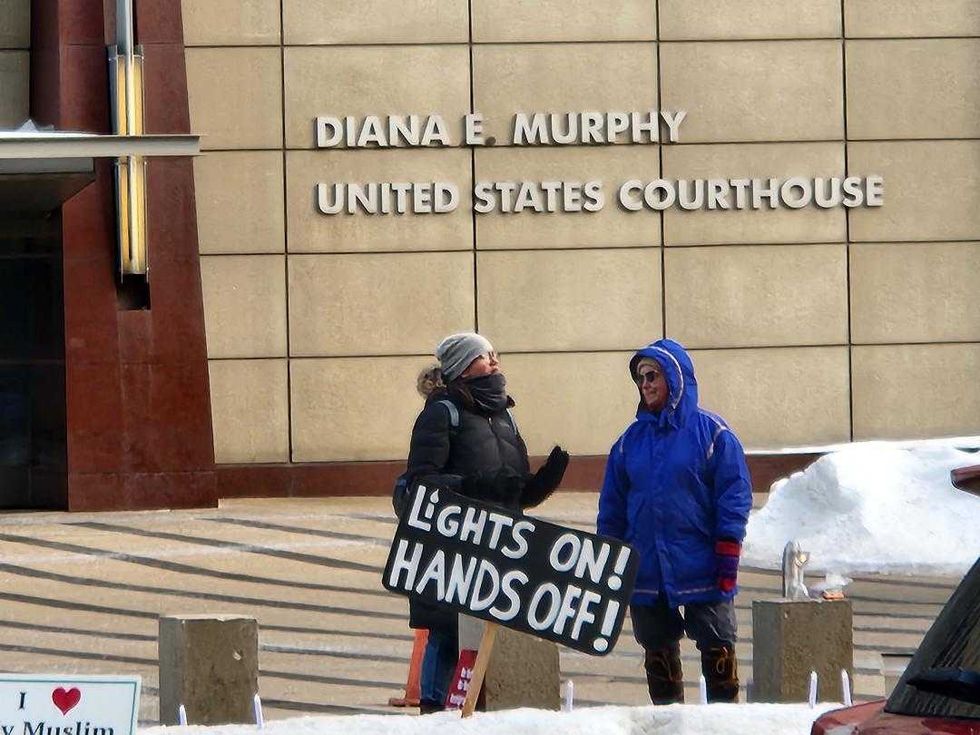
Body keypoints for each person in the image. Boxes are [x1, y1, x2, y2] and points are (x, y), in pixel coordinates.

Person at [398, 332, 569, 713]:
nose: (494, 362)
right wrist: (476, 487)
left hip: (502, 546)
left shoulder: (505, 414)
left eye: (494, 355)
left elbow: (512, 490)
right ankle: (433, 711)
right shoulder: (441, 413)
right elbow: (421, 483)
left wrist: (541, 485)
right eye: (483, 356)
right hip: (454, 548)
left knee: (493, 633)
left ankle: (484, 710)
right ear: (461, 367)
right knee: (447, 631)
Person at [597, 338, 751, 704]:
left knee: (718, 648)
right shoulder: (628, 443)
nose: (645, 384)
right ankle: (669, 723)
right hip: (647, 570)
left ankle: (724, 727)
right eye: (640, 378)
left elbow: (734, 495)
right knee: (658, 653)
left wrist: (728, 552)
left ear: (676, 378)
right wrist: (610, 561)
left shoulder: (713, 433)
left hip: (702, 565)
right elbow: (612, 508)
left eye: (653, 375)